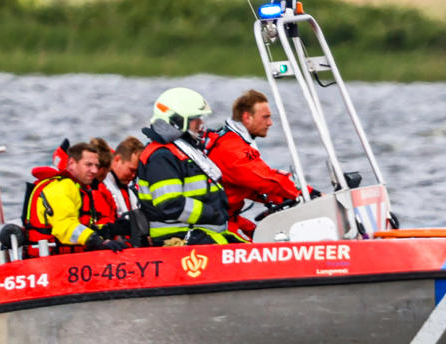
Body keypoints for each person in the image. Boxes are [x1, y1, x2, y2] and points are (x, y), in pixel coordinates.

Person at [135, 87, 241, 246]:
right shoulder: (161, 157)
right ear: (176, 121)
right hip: (177, 239)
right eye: (195, 119)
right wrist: (212, 213)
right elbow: (170, 204)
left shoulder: (185, 151)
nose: (201, 123)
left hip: (201, 234)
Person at [205, 89, 302, 237]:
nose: (270, 123)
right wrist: (305, 193)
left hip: (224, 220)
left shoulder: (233, 141)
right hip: (216, 227)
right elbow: (265, 180)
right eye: (265, 117)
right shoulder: (232, 148)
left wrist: (284, 199)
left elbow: (252, 188)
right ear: (247, 118)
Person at [24, 139, 109, 252]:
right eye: (89, 165)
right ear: (72, 164)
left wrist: (112, 228)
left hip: (71, 259)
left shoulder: (78, 188)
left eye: (96, 166)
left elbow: (82, 226)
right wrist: (97, 241)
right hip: (50, 261)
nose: (94, 170)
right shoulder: (60, 187)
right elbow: (65, 227)